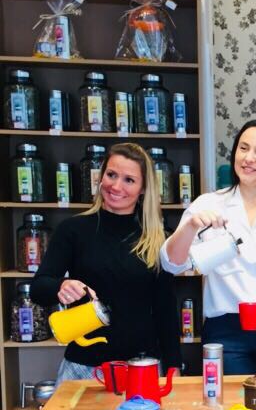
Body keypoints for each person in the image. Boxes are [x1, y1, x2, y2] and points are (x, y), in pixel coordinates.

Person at [161, 119, 256, 375]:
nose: (248, 158)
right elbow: (171, 264)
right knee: (233, 399)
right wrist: (189, 226)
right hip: (226, 329)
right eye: (243, 148)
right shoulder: (208, 204)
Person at [30, 142, 181, 383]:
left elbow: (166, 309)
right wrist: (61, 285)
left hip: (142, 367)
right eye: (111, 175)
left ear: (143, 188)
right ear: (101, 177)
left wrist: (174, 366)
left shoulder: (157, 239)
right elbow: (38, 289)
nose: (116, 186)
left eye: (129, 180)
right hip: (84, 366)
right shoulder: (73, 230)